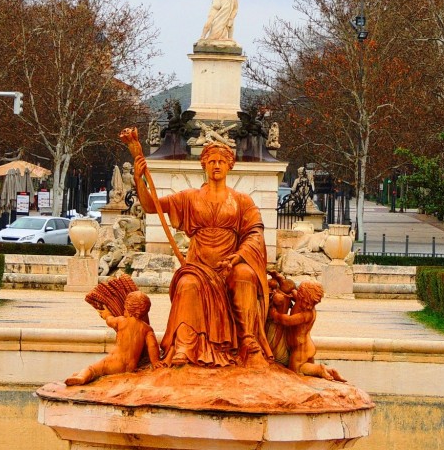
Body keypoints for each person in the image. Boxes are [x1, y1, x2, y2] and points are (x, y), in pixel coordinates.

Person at [121, 127, 272, 369]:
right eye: (211, 161)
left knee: (245, 275)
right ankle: (184, 346)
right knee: (187, 284)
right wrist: (140, 181)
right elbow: (153, 207)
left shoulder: (243, 200)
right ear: (203, 164)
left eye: (221, 161)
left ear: (230, 165)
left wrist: (238, 257)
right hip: (198, 266)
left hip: (229, 264)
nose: (216, 166)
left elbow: (255, 233)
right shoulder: (189, 197)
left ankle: (248, 341)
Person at [64, 291, 163, 385]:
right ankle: (80, 374)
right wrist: (155, 362)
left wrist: (107, 314)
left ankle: (82, 377)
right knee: (95, 371)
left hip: (114, 362)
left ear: (128, 307)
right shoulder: (147, 329)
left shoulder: (121, 321)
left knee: (93, 369)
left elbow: (109, 320)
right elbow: (153, 345)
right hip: (130, 367)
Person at [268, 281, 345, 382]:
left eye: (300, 294)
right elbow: (295, 294)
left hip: (301, 348)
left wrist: (275, 315)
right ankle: (330, 371)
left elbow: (287, 320)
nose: (298, 296)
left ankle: (319, 369)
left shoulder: (306, 314)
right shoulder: (301, 304)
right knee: (307, 368)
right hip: (303, 347)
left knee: (296, 369)